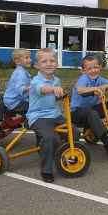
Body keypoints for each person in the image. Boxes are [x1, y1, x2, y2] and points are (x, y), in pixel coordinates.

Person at [26, 48, 65, 183]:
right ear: (37, 65)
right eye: (44, 61)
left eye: (52, 60)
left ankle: (61, 155)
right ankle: (46, 170)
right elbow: (42, 90)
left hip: (54, 114)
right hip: (38, 116)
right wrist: (53, 89)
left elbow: (56, 96)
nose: (49, 63)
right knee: (49, 138)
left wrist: (61, 95)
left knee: (74, 132)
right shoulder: (35, 81)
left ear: (57, 63)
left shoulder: (57, 80)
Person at [71, 55, 108, 153]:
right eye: (89, 68)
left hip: (92, 109)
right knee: (91, 112)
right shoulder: (84, 78)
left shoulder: (99, 79)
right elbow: (80, 90)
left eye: (96, 67)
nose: (93, 70)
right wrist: (95, 89)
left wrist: (105, 86)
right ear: (83, 71)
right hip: (76, 113)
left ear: (100, 67)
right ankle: (106, 140)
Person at [3, 49, 31, 115]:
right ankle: (29, 124)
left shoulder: (23, 71)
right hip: (14, 102)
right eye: (26, 58)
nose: (30, 60)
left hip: (15, 100)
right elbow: (20, 89)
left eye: (30, 57)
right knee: (36, 107)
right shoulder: (20, 73)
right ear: (17, 61)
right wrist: (31, 87)